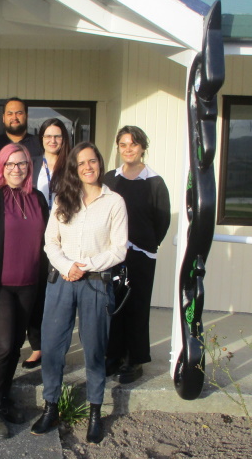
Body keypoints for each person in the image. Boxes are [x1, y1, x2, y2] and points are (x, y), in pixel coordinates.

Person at [33, 141, 127, 444]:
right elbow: (51, 242)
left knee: (95, 348)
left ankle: (96, 411)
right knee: (52, 346)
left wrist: (84, 266)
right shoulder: (63, 199)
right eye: (81, 163)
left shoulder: (115, 202)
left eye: (92, 161)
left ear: (100, 163)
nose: (88, 167)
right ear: (74, 168)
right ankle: (51, 407)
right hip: (62, 280)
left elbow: (119, 249)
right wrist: (66, 266)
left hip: (96, 283)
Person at [0, 143, 49, 439]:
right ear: (0, 167)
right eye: (10, 164)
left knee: (16, 345)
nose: (16, 169)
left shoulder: (37, 198)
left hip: (29, 284)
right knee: (2, 345)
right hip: (0, 285)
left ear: (29, 167)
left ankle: (3, 399)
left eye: (22, 164)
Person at [104, 126, 171, 384]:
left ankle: (135, 359)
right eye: (123, 144)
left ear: (143, 146)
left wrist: (145, 243)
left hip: (141, 255)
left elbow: (161, 222)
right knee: (114, 304)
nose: (128, 149)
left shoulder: (155, 182)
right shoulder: (111, 178)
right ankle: (114, 354)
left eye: (133, 144)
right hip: (114, 253)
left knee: (137, 306)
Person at [23, 118, 71, 370]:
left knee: (61, 297)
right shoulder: (30, 165)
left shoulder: (72, 166)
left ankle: (58, 348)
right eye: (48, 136)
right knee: (36, 293)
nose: (53, 141)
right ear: (41, 139)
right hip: (34, 236)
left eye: (58, 136)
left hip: (64, 239)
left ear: (64, 139)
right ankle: (38, 347)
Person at [0, 97, 43, 178]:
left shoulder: (39, 144)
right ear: (3, 118)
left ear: (26, 116)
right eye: (10, 113)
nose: (14, 117)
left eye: (19, 113)